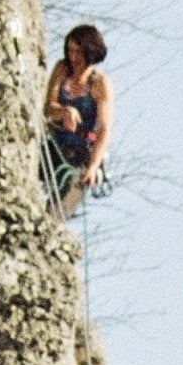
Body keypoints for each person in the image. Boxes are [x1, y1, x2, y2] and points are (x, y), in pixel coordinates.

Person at [44, 24, 110, 220]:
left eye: (79, 52)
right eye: (70, 51)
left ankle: (49, 225)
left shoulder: (99, 83)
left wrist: (93, 167)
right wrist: (64, 111)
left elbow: (104, 130)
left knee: (74, 188)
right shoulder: (62, 69)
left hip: (80, 152)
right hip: (55, 145)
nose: (73, 57)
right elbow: (48, 107)